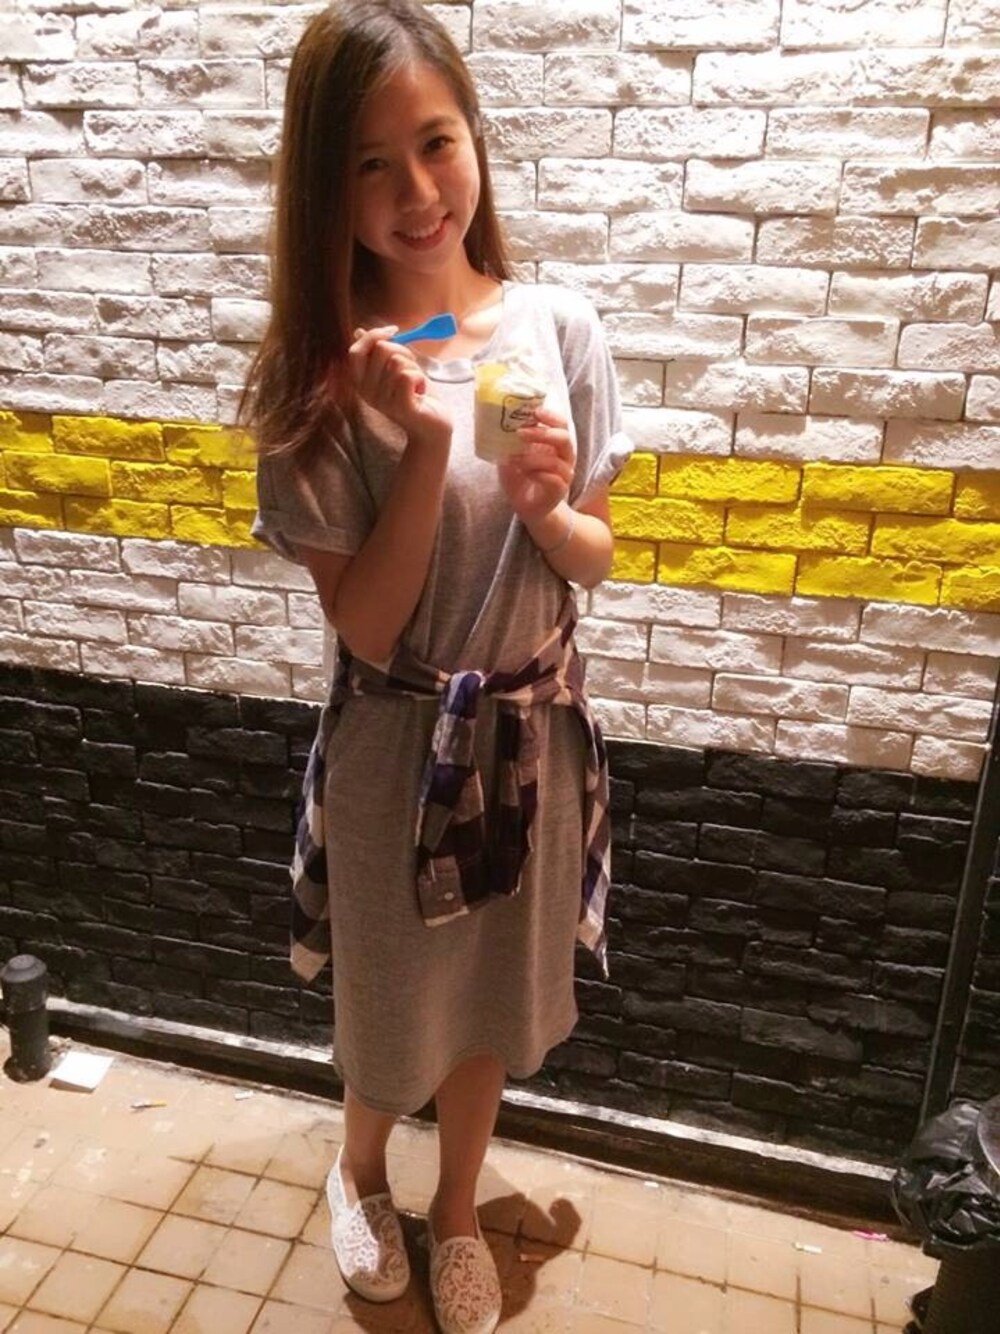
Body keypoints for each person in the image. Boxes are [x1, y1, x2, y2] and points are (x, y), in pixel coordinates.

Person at [244, 2, 631, 1330]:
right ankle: (360, 1174)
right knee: (392, 1000)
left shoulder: (554, 331)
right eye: (370, 162)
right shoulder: (322, 381)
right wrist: (421, 446)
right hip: (397, 746)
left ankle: (457, 1203)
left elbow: (593, 558)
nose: (415, 192)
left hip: (531, 738)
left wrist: (547, 510)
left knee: (488, 1003)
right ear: (324, 187)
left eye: (435, 142)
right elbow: (366, 626)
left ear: (474, 139)